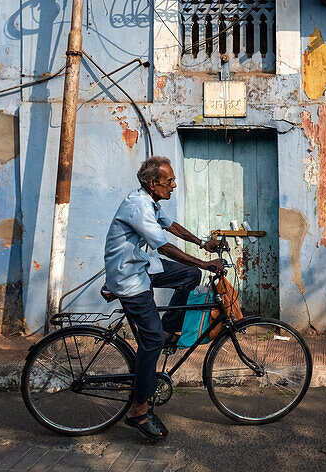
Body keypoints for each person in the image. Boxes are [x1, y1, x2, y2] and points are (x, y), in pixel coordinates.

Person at [104, 155, 224, 440]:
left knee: (188, 277)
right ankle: (139, 410)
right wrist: (204, 263)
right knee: (152, 342)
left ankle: (170, 329)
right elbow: (164, 247)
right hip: (129, 278)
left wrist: (202, 244)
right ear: (152, 182)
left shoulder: (150, 202)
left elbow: (172, 226)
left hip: (140, 266)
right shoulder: (138, 207)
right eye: (169, 180)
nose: (173, 185)